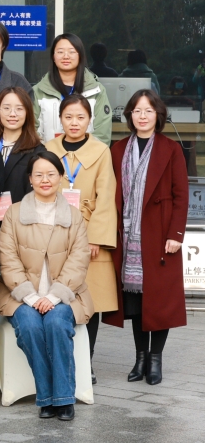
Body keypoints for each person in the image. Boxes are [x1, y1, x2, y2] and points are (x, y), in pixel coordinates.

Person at [0, 151, 93, 421]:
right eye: (38, 174)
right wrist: (30, 297)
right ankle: (49, 396)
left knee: (56, 323)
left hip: (65, 294)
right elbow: (7, 259)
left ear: (60, 177)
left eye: (51, 174)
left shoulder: (73, 216)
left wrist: (53, 296)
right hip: (20, 294)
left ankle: (61, 399)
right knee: (29, 326)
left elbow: (79, 260)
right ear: (30, 179)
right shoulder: (14, 213)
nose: (45, 179)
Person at [108, 89, 189, 385]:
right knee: (135, 302)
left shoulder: (171, 149)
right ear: (130, 115)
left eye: (148, 111)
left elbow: (181, 196)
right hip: (128, 236)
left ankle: (156, 359)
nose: (142, 116)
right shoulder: (117, 149)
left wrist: (176, 233)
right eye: (137, 111)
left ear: (158, 115)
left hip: (160, 235)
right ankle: (140, 357)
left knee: (160, 301)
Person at [42, 93, 118, 360]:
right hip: (54, 231)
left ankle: (87, 360)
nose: (74, 122)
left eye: (80, 117)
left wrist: (95, 237)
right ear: (60, 119)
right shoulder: (48, 148)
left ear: (90, 120)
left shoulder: (101, 150)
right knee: (56, 294)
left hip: (88, 233)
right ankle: (60, 356)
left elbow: (106, 196)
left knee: (89, 299)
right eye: (68, 117)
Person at [35, 33, 113, 143]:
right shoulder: (38, 91)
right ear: (53, 56)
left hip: (88, 154)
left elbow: (102, 134)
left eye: (71, 52)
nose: (66, 56)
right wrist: (47, 153)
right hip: (47, 153)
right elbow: (32, 132)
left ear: (80, 56)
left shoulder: (96, 90)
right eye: (60, 52)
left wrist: (82, 153)